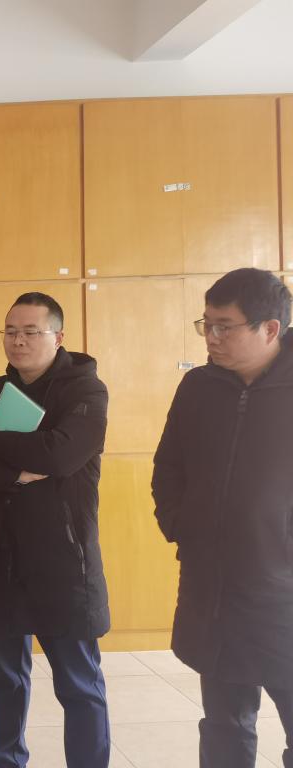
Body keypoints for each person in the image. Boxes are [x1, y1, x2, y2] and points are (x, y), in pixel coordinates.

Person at [0, 292, 111, 768]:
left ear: (58, 338)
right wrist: (16, 473)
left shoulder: (85, 391)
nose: (17, 341)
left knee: (79, 685)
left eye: (30, 332)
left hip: (62, 562)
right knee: (6, 678)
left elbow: (61, 455)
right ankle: (7, 760)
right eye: (10, 331)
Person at [152, 267, 293, 768]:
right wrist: (180, 525)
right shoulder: (198, 386)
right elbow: (169, 466)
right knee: (224, 725)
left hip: (281, 593)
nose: (211, 337)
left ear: (270, 328)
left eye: (224, 327)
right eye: (206, 324)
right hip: (212, 590)